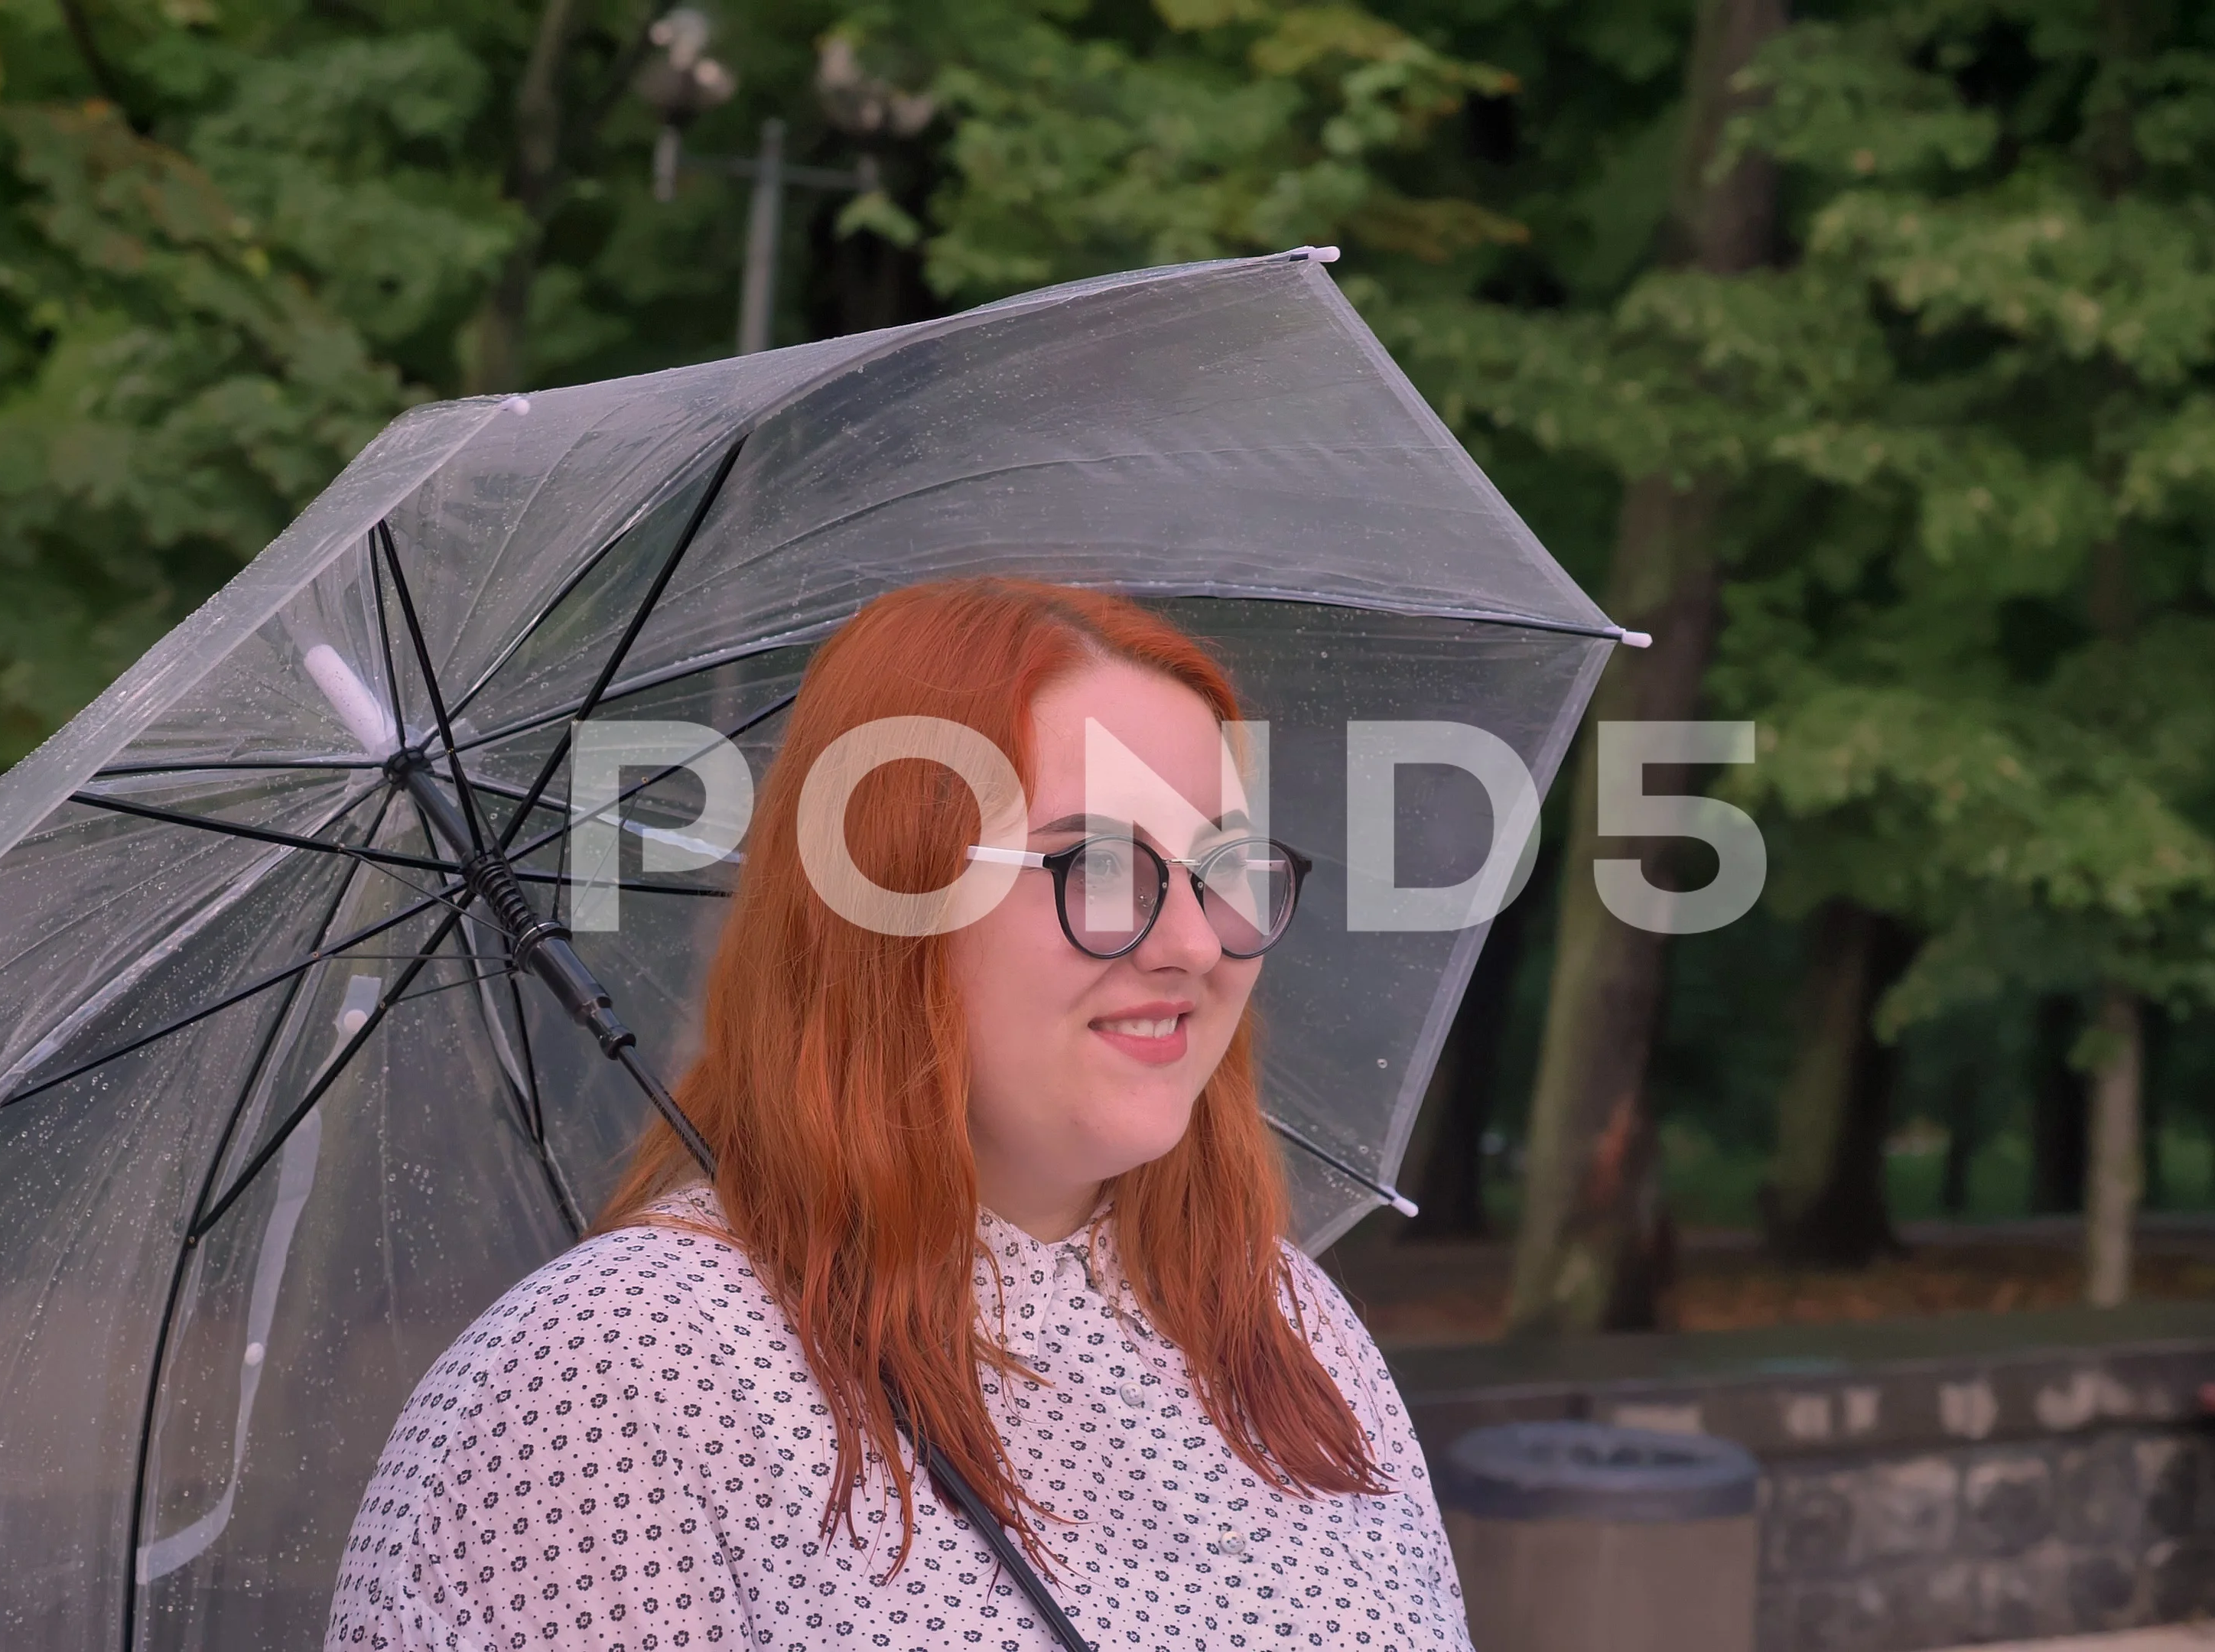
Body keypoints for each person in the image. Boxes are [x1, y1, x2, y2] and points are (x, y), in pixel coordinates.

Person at [327, 578, 1471, 1651]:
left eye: (1222, 865)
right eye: (1101, 864)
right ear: (890, 900)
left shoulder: (1288, 1324)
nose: (1192, 943)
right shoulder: (614, 1382)